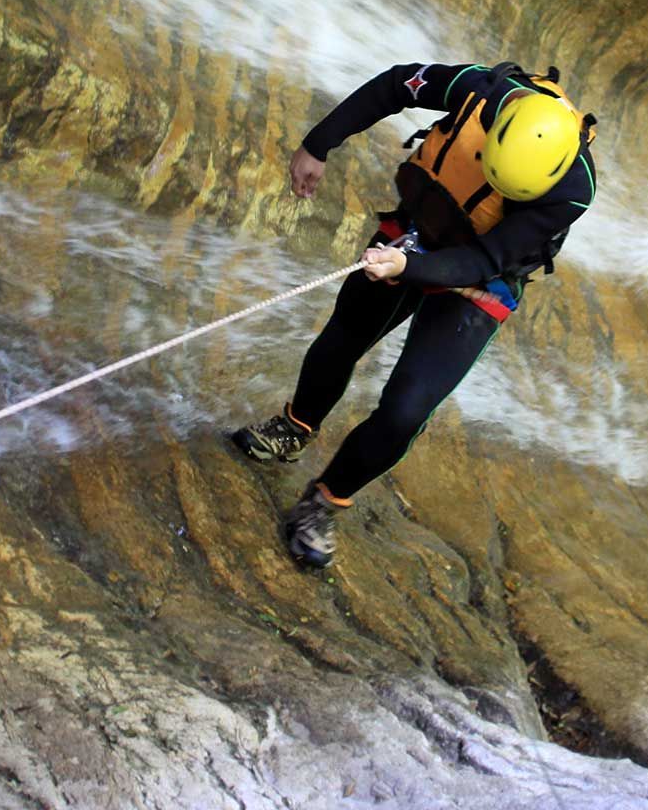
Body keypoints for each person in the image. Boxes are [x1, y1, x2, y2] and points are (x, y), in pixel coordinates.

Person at [231, 62, 598, 566]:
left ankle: (323, 502)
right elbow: (393, 85)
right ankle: (294, 428)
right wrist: (319, 143)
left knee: (406, 410)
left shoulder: (573, 188)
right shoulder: (480, 90)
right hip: (421, 227)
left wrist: (407, 265)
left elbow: (486, 258)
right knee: (344, 336)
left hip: (480, 276)